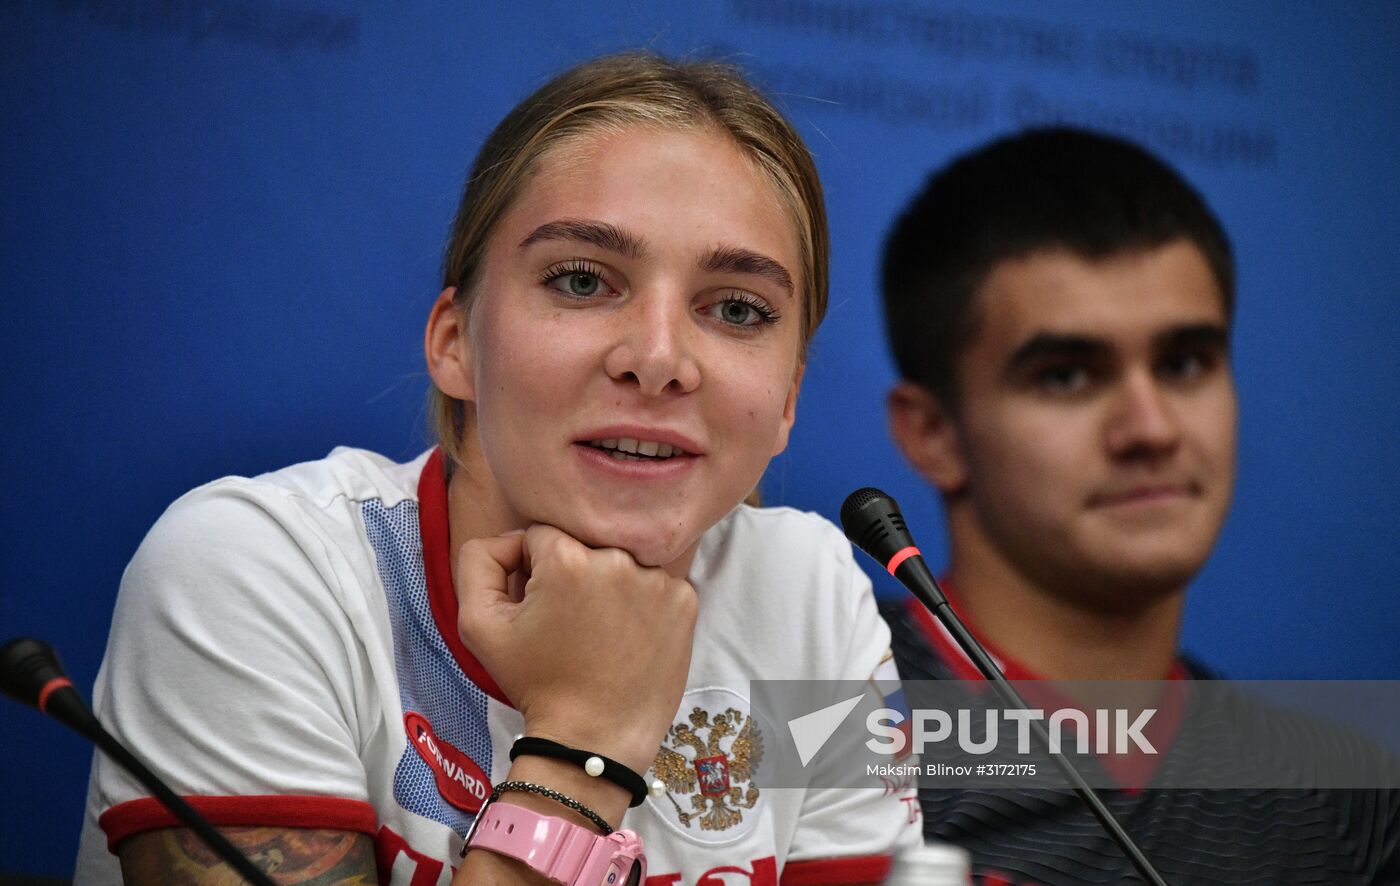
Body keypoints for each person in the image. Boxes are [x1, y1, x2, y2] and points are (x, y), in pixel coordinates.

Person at [74, 52, 917, 885]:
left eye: (737, 309)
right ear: (454, 343)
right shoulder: (251, 570)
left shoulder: (811, 598)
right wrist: (581, 743)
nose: (660, 359)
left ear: (788, 401)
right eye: (583, 280)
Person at [878, 127, 1399, 884]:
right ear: (933, 434)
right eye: (1067, 377)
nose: (1151, 428)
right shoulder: (812, 728)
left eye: (1185, 364)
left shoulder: (1348, 801)